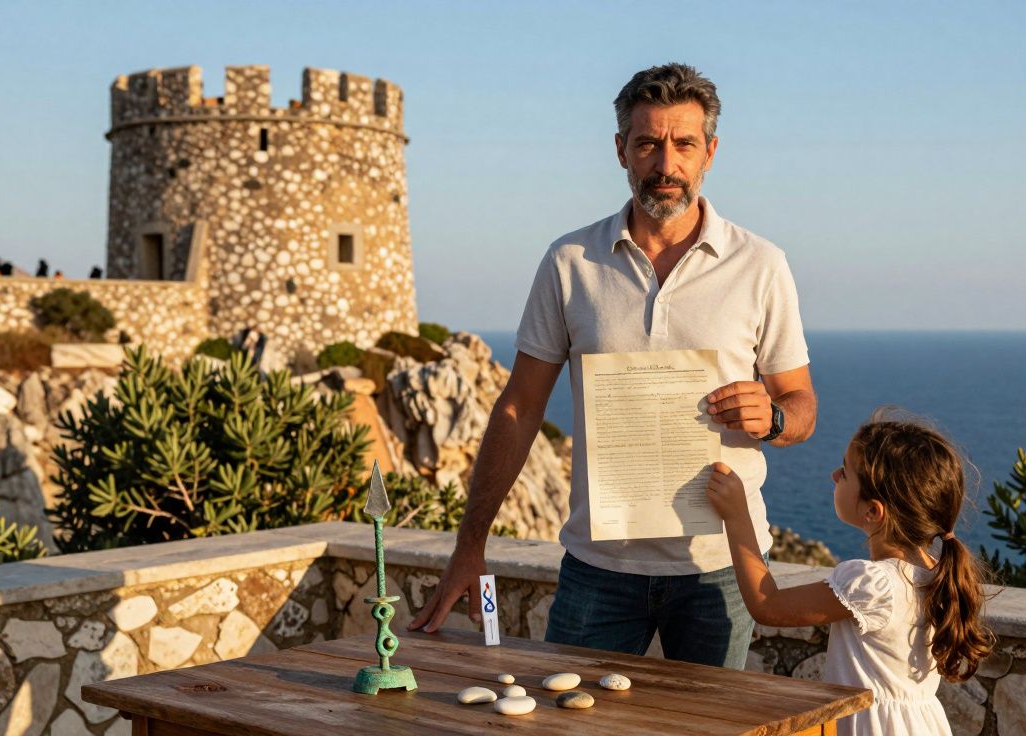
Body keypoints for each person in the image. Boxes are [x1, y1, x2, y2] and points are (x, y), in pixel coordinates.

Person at [408, 62, 817, 670]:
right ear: (621, 150)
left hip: (718, 568)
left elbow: (801, 406)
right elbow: (519, 407)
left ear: (711, 152)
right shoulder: (569, 261)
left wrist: (775, 418)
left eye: (683, 144)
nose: (666, 163)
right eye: (648, 143)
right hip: (598, 570)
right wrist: (471, 545)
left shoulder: (760, 264)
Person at [705, 410, 994, 735]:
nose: (833, 475)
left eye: (845, 472)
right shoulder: (936, 573)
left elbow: (766, 604)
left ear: (873, 511)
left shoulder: (871, 583)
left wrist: (737, 515)